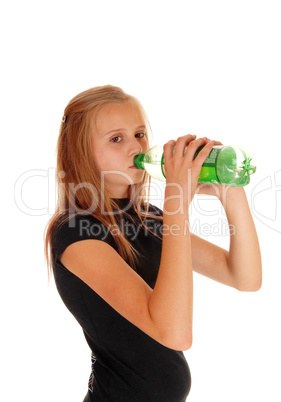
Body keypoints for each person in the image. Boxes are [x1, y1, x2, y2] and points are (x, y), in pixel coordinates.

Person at [44, 85, 262, 401]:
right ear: (81, 151)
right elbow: (174, 333)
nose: (135, 147)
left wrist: (230, 192)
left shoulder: (148, 217)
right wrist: (177, 199)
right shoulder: (76, 232)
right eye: (116, 139)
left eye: (140, 134)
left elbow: (244, 277)